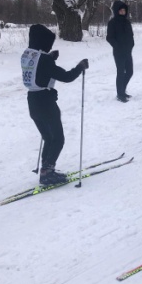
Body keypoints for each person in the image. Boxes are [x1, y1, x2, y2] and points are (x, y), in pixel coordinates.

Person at [21, 24, 89, 185]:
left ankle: (46, 169)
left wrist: (50, 57)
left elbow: (39, 69)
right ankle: (47, 172)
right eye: (48, 43)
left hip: (32, 101)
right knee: (58, 139)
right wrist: (80, 67)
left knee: (48, 137)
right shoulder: (44, 60)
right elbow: (66, 77)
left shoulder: (27, 54)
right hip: (45, 103)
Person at [106, 1, 134, 103]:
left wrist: (131, 45)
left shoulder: (127, 22)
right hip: (118, 52)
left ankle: (122, 90)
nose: (123, 12)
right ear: (117, 11)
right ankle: (120, 94)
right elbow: (109, 38)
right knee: (121, 72)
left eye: (124, 10)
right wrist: (117, 46)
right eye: (121, 10)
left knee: (130, 71)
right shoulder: (112, 23)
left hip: (128, 51)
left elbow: (131, 35)